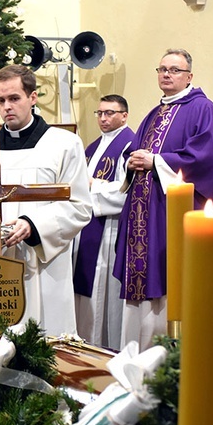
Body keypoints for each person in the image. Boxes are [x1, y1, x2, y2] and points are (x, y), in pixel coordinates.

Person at [0, 64, 92, 347]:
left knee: (44, 349)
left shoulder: (64, 144)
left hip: (41, 266)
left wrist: (32, 225)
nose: (7, 107)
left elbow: (78, 205)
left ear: (33, 98)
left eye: (14, 98)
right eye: (0, 100)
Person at [113, 48, 213, 350]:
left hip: (170, 216)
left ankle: (164, 356)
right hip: (144, 216)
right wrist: (131, 162)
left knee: (169, 284)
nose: (167, 74)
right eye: (162, 69)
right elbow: (137, 153)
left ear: (189, 76)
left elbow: (206, 159)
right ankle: (134, 358)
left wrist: (155, 162)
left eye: (175, 70)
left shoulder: (202, 109)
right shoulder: (155, 113)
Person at [73, 94, 134, 349]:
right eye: (100, 113)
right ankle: (85, 347)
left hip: (111, 231)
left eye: (110, 113)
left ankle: (104, 349)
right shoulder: (91, 147)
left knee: (104, 298)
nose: (103, 118)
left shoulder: (129, 145)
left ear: (124, 115)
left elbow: (126, 192)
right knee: (87, 298)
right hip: (87, 228)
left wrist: (91, 187)